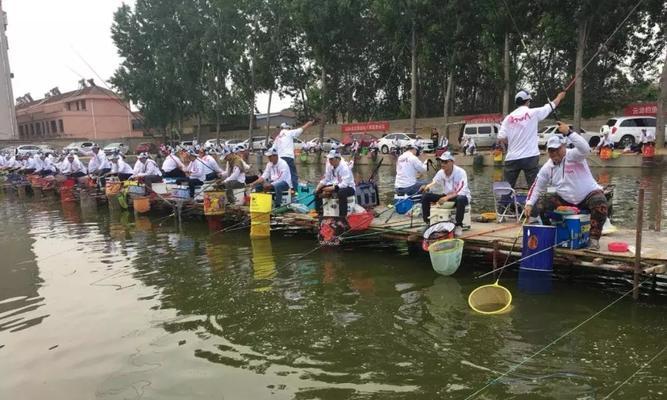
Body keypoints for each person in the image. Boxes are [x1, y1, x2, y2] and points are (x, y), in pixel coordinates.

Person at [524, 122, 607, 250]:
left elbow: (585, 149)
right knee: (542, 204)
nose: (554, 153)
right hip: (566, 200)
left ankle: (594, 239)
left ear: (563, 147)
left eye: (557, 149)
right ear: (547, 152)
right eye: (551, 150)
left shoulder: (574, 155)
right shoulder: (547, 167)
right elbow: (537, 186)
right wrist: (529, 203)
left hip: (587, 195)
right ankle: (550, 233)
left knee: (599, 201)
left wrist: (569, 133)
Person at [498, 89, 566, 188]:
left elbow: (501, 137)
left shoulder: (508, 118)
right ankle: (532, 203)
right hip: (530, 156)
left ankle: (506, 203)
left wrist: (511, 143)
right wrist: (559, 97)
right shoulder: (533, 113)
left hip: (512, 158)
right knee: (534, 188)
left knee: (507, 188)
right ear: (528, 101)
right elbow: (551, 106)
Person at [420, 152, 471, 237]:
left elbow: (461, 190)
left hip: (461, 196)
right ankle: (428, 222)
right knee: (425, 196)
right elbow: (434, 183)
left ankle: (458, 225)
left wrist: (446, 198)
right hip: (447, 196)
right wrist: (426, 187)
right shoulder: (441, 172)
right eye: (441, 162)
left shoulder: (461, 172)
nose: (443, 164)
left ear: (452, 162)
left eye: (445, 162)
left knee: (460, 199)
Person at [272, 120, 314, 190]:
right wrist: (308, 124)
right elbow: (300, 130)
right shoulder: (289, 133)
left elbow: (273, 149)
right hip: (288, 158)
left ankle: (282, 190)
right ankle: (295, 192)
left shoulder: (277, 137)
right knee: (293, 175)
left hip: (279, 159)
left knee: (282, 176)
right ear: (287, 128)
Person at [315, 150, 356, 218]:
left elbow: (344, 184)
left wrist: (331, 188)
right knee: (318, 191)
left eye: (332, 159)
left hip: (349, 187)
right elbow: (326, 179)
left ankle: (342, 216)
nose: (330, 161)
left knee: (341, 193)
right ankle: (320, 212)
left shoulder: (344, 167)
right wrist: (318, 186)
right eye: (329, 159)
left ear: (338, 159)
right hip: (335, 185)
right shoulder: (330, 166)